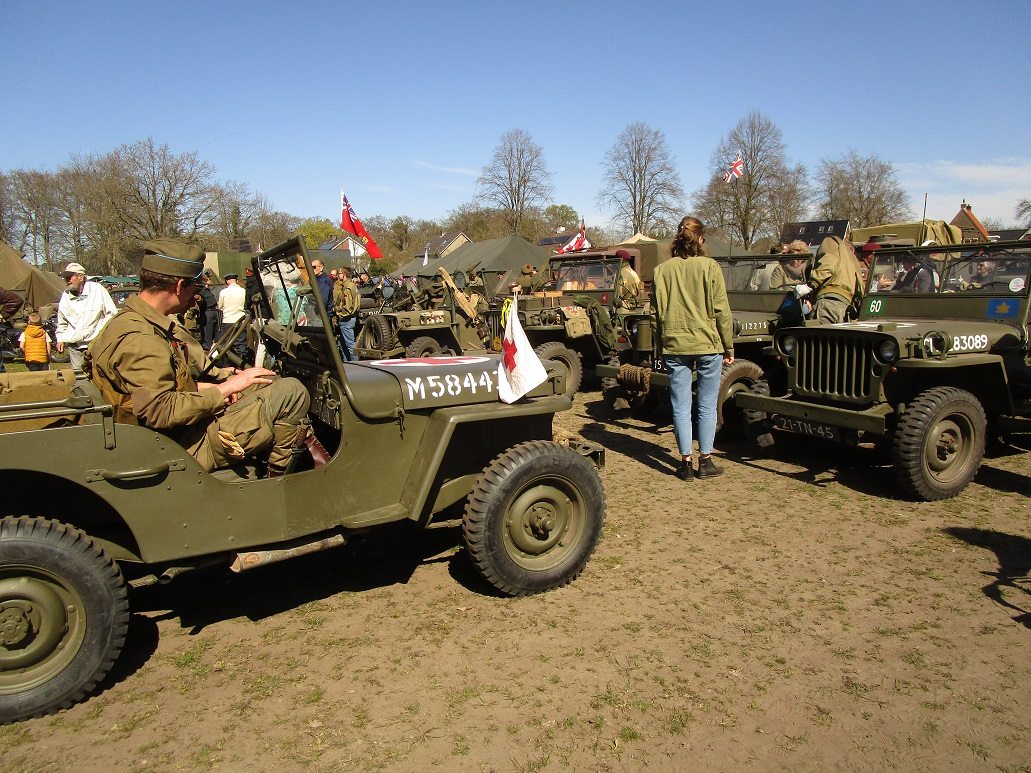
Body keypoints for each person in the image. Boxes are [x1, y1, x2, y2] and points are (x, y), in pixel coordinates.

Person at [87, 239, 314, 476]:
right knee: (291, 391)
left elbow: (155, 390)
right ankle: (281, 479)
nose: (196, 298)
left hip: (161, 436)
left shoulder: (131, 322)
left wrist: (223, 383)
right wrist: (224, 389)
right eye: (195, 289)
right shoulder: (141, 337)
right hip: (179, 445)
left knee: (266, 382)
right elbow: (159, 411)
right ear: (179, 286)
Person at [651, 216, 734, 481]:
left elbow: (655, 315)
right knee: (707, 405)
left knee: (680, 405)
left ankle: (685, 463)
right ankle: (705, 461)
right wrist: (728, 345)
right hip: (709, 343)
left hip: (675, 345)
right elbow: (722, 310)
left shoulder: (661, 271)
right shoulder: (710, 267)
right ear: (700, 239)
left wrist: (660, 345)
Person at [55, 262, 118, 372]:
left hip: (95, 344)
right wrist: (60, 339)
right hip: (74, 345)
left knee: (99, 374)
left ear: (80, 277)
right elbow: (62, 321)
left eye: (70, 277)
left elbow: (112, 314)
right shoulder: (65, 296)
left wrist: (100, 333)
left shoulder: (97, 290)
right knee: (79, 377)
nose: (67, 280)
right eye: (65, 278)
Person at [794, 236, 863, 324]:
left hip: (828, 303)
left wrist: (810, 285)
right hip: (847, 309)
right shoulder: (855, 262)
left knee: (818, 336)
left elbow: (829, 264)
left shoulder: (832, 242)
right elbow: (861, 288)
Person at [216, 273, 249, 364]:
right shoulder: (243, 291)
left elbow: (220, 307)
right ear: (236, 280)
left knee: (226, 344)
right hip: (240, 319)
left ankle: (227, 363)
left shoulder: (223, 292)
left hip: (227, 320)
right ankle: (242, 363)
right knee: (241, 343)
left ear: (227, 281)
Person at [333, 267, 361, 361]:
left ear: (344, 274)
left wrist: (337, 310)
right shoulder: (349, 285)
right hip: (349, 318)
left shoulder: (348, 286)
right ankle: (347, 363)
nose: (338, 275)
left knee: (349, 344)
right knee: (343, 343)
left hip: (346, 318)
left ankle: (355, 365)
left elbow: (347, 307)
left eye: (340, 273)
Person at [197, 273, 217, 349]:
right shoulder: (201, 290)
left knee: (213, 333)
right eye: (209, 278)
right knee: (207, 333)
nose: (210, 279)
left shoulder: (207, 289)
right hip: (207, 312)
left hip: (213, 312)